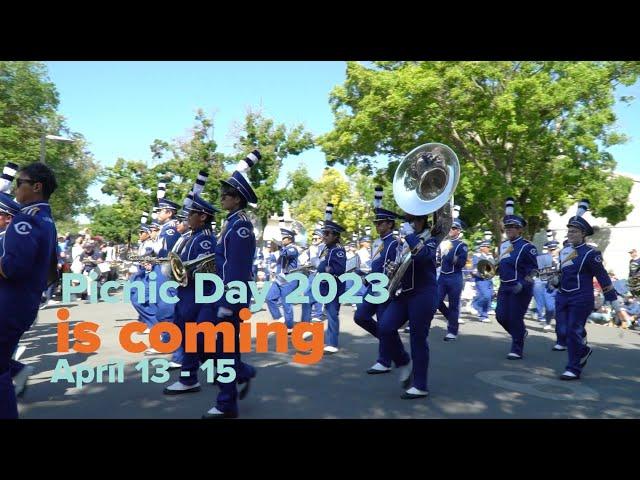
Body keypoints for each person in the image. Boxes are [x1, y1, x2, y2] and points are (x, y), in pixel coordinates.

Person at [200, 150, 261, 419]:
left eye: (225, 194)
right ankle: (242, 372)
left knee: (222, 349)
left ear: (237, 198)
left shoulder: (241, 227)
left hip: (231, 297)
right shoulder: (232, 223)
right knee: (205, 343)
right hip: (222, 294)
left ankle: (227, 404)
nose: (221, 197)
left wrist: (227, 302)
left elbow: (236, 268)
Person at [1, 162, 58, 419]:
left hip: (9, 305)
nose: (15, 190)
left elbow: (12, 268)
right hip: (21, 303)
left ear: (36, 186)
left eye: (19, 184)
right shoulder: (45, 219)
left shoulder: (27, 219)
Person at [377, 207, 442, 399]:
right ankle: (403, 360)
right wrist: (392, 269)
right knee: (385, 327)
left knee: (417, 339)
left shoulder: (432, 238)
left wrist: (409, 236)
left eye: (410, 220)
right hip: (404, 293)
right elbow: (404, 263)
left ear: (419, 220)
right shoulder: (406, 239)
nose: (406, 223)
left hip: (423, 294)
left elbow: (423, 257)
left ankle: (420, 385)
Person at [553, 200, 620, 380]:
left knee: (574, 330)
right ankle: (583, 350)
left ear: (583, 234)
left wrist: (613, 301)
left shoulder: (592, 254)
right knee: (563, 330)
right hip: (562, 295)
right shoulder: (563, 252)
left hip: (581, 298)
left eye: (574, 231)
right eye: (569, 231)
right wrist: (554, 280)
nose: (571, 234)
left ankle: (573, 368)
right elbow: (562, 272)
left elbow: (603, 277)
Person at [353, 186, 401, 374]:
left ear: (390, 224)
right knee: (361, 317)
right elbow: (376, 266)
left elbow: (390, 270)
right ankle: (394, 350)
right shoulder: (380, 243)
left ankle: (385, 360)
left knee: (383, 324)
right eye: (376, 223)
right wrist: (365, 277)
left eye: (380, 223)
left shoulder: (393, 243)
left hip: (383, 289)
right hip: (373, 287)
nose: (377, 226)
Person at [495, 197, 538, 360]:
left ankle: (517, 348)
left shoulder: (528, 247)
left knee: (514, 317)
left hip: (521, 288)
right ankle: (519, 333)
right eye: (507, 227)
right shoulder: (503, 246)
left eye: (513, 227)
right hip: (504, 286)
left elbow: (535, 270)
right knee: (500, 316)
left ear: (520, 230)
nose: (509, 229)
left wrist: (523, 283)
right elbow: (502, 265)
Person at [436, 205, 468, 341]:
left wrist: (449, 255)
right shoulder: (444, 243)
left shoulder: (462, 245)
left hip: (455, 277)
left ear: (459, 231)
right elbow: (438, 260)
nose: (451, 230)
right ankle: (451, 317)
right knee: (435, 301)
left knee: (454, 304)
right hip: (443, 276)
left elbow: (460, 262)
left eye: (454, 228)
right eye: (450, 227)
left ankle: (452, 331)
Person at [266, 225, 299, 332]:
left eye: (284, 238)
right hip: (280, 277)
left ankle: (289, 326)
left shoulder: (292, 248)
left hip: (289, 278)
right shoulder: (284, 248)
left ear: (289, 239)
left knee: (286, 303)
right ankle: (279, 318)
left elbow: (286, 254)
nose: (282, 239)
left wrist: (279, 246)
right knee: (269, 298)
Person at [471, 238, 495, 323]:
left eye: (489, 247)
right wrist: (480, 274)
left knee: (490, 296)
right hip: (481, 279)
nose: (488, 248)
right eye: (486, 246)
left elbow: (492, 267)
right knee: (486, 296)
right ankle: (475, 305)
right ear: (482, 247)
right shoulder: (477, 256)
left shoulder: (490, 256)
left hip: (489, 279)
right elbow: (475, 267)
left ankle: (483, 314)